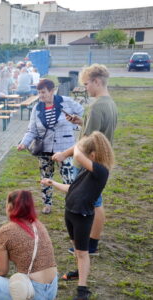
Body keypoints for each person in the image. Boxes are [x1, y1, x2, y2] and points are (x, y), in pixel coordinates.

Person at [52, 64, 117, 255]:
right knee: (96, 201)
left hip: (91, 163)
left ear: (97, 81)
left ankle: (91, 245)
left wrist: (64, 154)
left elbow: (84, 144)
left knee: (94, 203)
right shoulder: (110, 103)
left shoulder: (96, 107)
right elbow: (100, 132)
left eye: (87, 84)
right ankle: (92, 242)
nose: (85, 88)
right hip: (101, 160)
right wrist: (82, 122)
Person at [41, 132, 114, 300]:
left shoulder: (101, 172)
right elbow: (71, 188)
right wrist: (52, 183)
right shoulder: (85, 171)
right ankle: (78, 272)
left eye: (85, 155)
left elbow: (78, 154)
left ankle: (83, 290)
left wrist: (81, 144)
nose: (79, 158)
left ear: (93, 155)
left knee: (82, 252)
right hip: (70, 213)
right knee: (77, 250)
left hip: (82, 216)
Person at [0, 190, 58, 300]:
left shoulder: (5, 231)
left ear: (10, 206)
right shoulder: (38, 225)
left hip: (33, 293)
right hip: (52, 289)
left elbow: (2, 271)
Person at [18, 79, 84, 214]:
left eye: (43, 92)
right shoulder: (37, 108)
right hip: (45, 149)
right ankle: (47, 203)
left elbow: (82, 112)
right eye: (39, 93)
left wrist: (74, 121)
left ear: (52, 91)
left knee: (69, 178)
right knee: (46, 177)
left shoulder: (66, 101)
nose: (41, 96)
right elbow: (32, 130)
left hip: (65, 148)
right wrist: (24, 143)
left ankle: (71, 203)